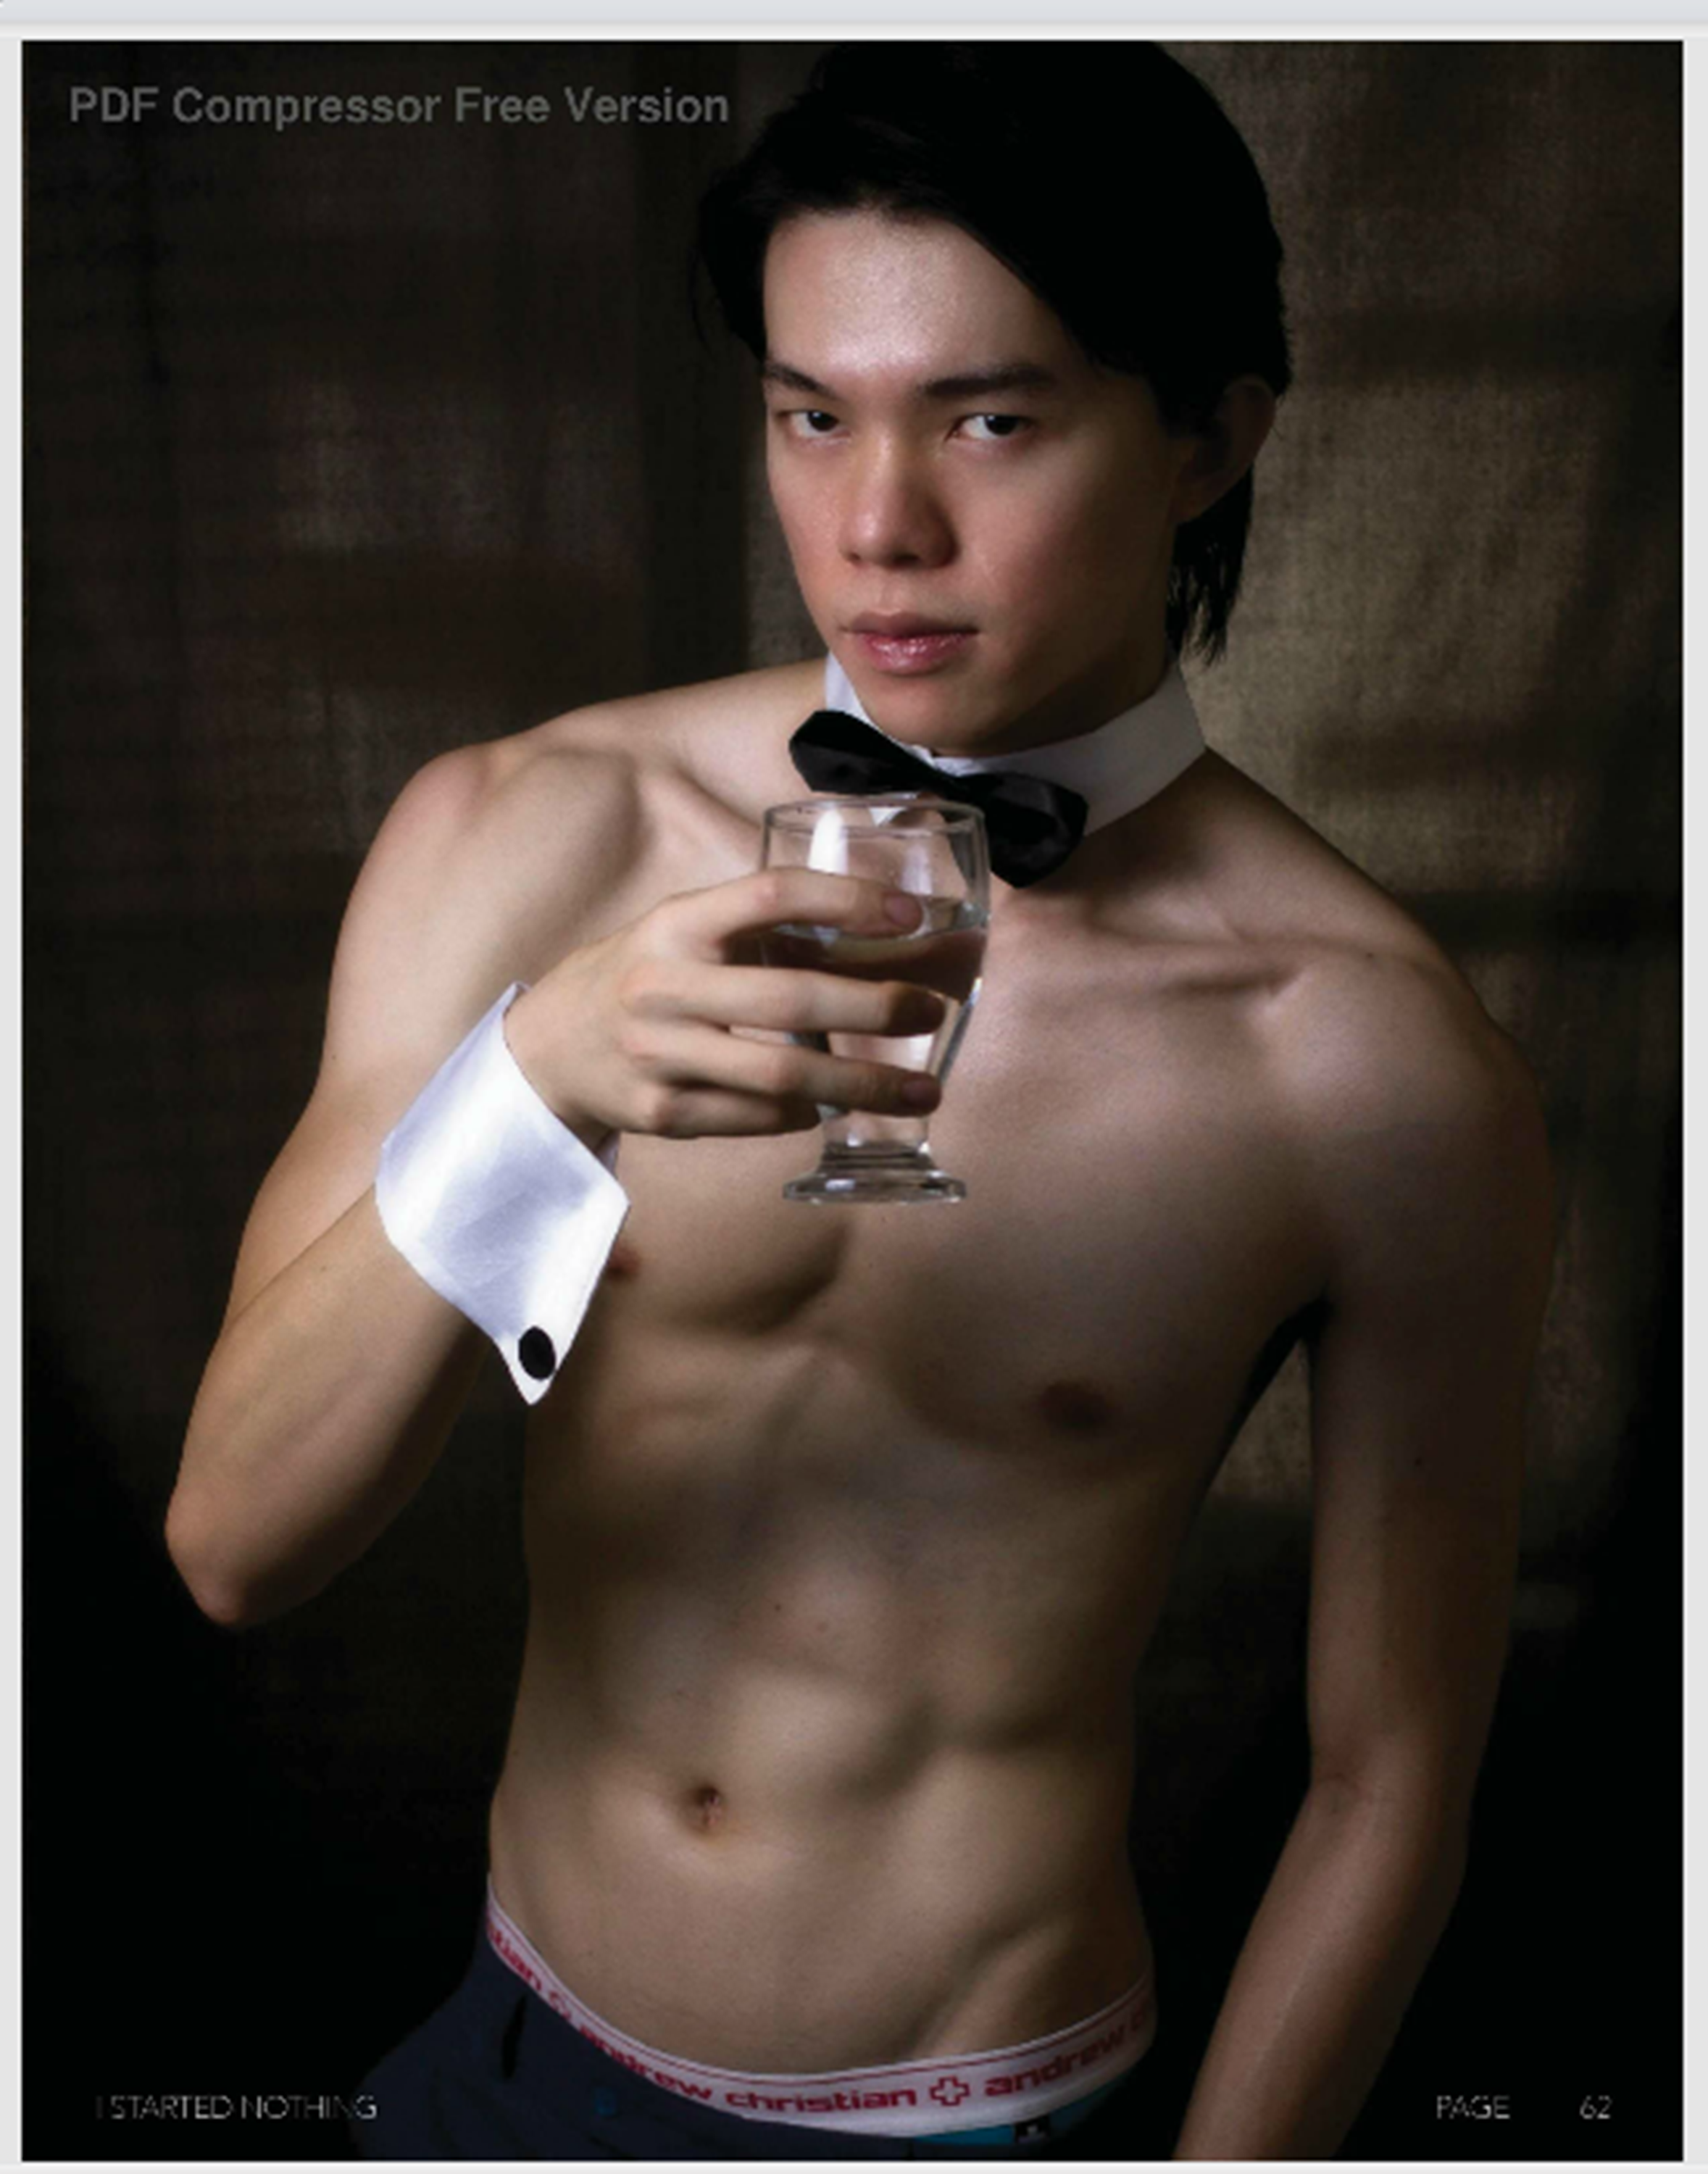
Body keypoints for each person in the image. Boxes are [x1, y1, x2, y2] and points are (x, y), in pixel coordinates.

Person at [167, 41, 1554, 2162]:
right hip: (499, 2062)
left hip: (973, 2109)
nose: (878, 527)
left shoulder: (1366, 1060)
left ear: (1206, 438)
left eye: (989, 420)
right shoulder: (525, 834)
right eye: (812, 414)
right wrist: (539, 1078)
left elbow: (1390, 1782)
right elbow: (235, 1548)